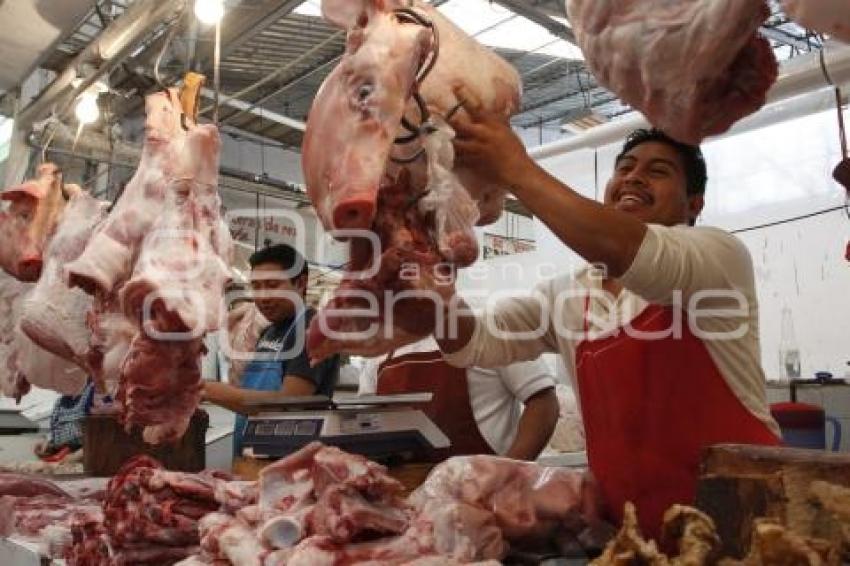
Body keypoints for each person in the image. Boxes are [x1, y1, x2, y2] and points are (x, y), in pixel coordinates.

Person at [431, 93, 781, 538]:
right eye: (625, 168)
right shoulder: (567, 294)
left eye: (657, 171)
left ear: (694, 204)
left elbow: (624, 249)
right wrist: (433, 276)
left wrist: (517, 170)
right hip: (634, 537)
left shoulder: (717, 258)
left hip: (749, 530)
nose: (633, 178)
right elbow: (471, 341)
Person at [204, 244, 340, 457]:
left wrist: (204, 389)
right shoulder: (269, 331)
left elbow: (288, 402)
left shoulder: (312, 329)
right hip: (252, 458)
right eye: (256, 286)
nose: (263, 297)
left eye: (273, 285)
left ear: (301, 283)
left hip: (290, 463)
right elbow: (252, 399)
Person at [359, 336, 559, 461]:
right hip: (404, 493)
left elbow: (543, 404)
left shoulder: (491, 331)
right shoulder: (379, 351)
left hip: (480, 495)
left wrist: (510, 473)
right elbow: (367, 423)